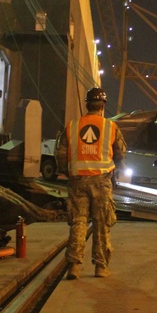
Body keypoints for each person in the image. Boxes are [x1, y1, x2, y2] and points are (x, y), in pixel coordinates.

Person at [65, 87, 126, 279]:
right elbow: (121, 152)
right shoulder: (111, 127)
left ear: (86, 105)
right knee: (101, 224)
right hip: (101, 181)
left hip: (77, 181)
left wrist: (69, 173)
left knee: (79, 222)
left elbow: (60, 155)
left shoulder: (72, 126)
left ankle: (74, 266)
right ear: (103, 106)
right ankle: (100, 267)